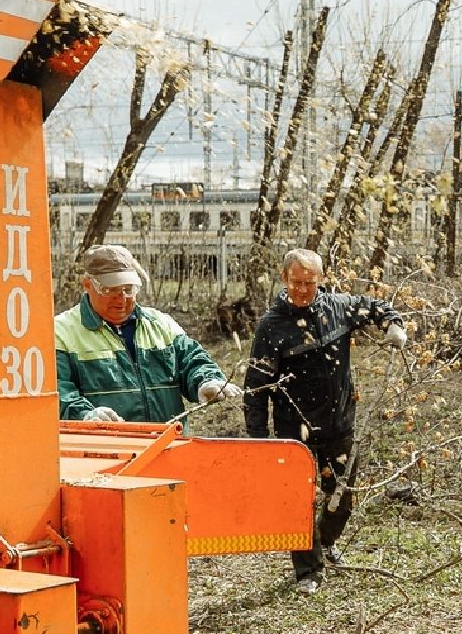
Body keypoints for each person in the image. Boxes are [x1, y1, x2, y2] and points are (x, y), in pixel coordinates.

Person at [244, 247, 406, 594]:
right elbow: (256, 388)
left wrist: (393, 325)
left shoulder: (339, 307)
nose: (303, 290)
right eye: (296, 283)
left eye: (310, 283)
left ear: (321, 279)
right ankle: (308, 571)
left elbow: (377, 308)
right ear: (284, 278)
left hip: (339, 424)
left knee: (342, 496)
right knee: (298, 503)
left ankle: (327, 538)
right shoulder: (271, 327)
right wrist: (257, 439)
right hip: (293, 429)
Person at [56, 244, 240, 423]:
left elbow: (192, 360)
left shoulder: (160, 324)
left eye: (128, 290)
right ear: (88, 284)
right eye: (110, 289)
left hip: (167, 445)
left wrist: (207, 381)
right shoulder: (62, 332)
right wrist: (84, 415)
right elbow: (58, 390)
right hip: (102, 448)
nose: (121, 299)